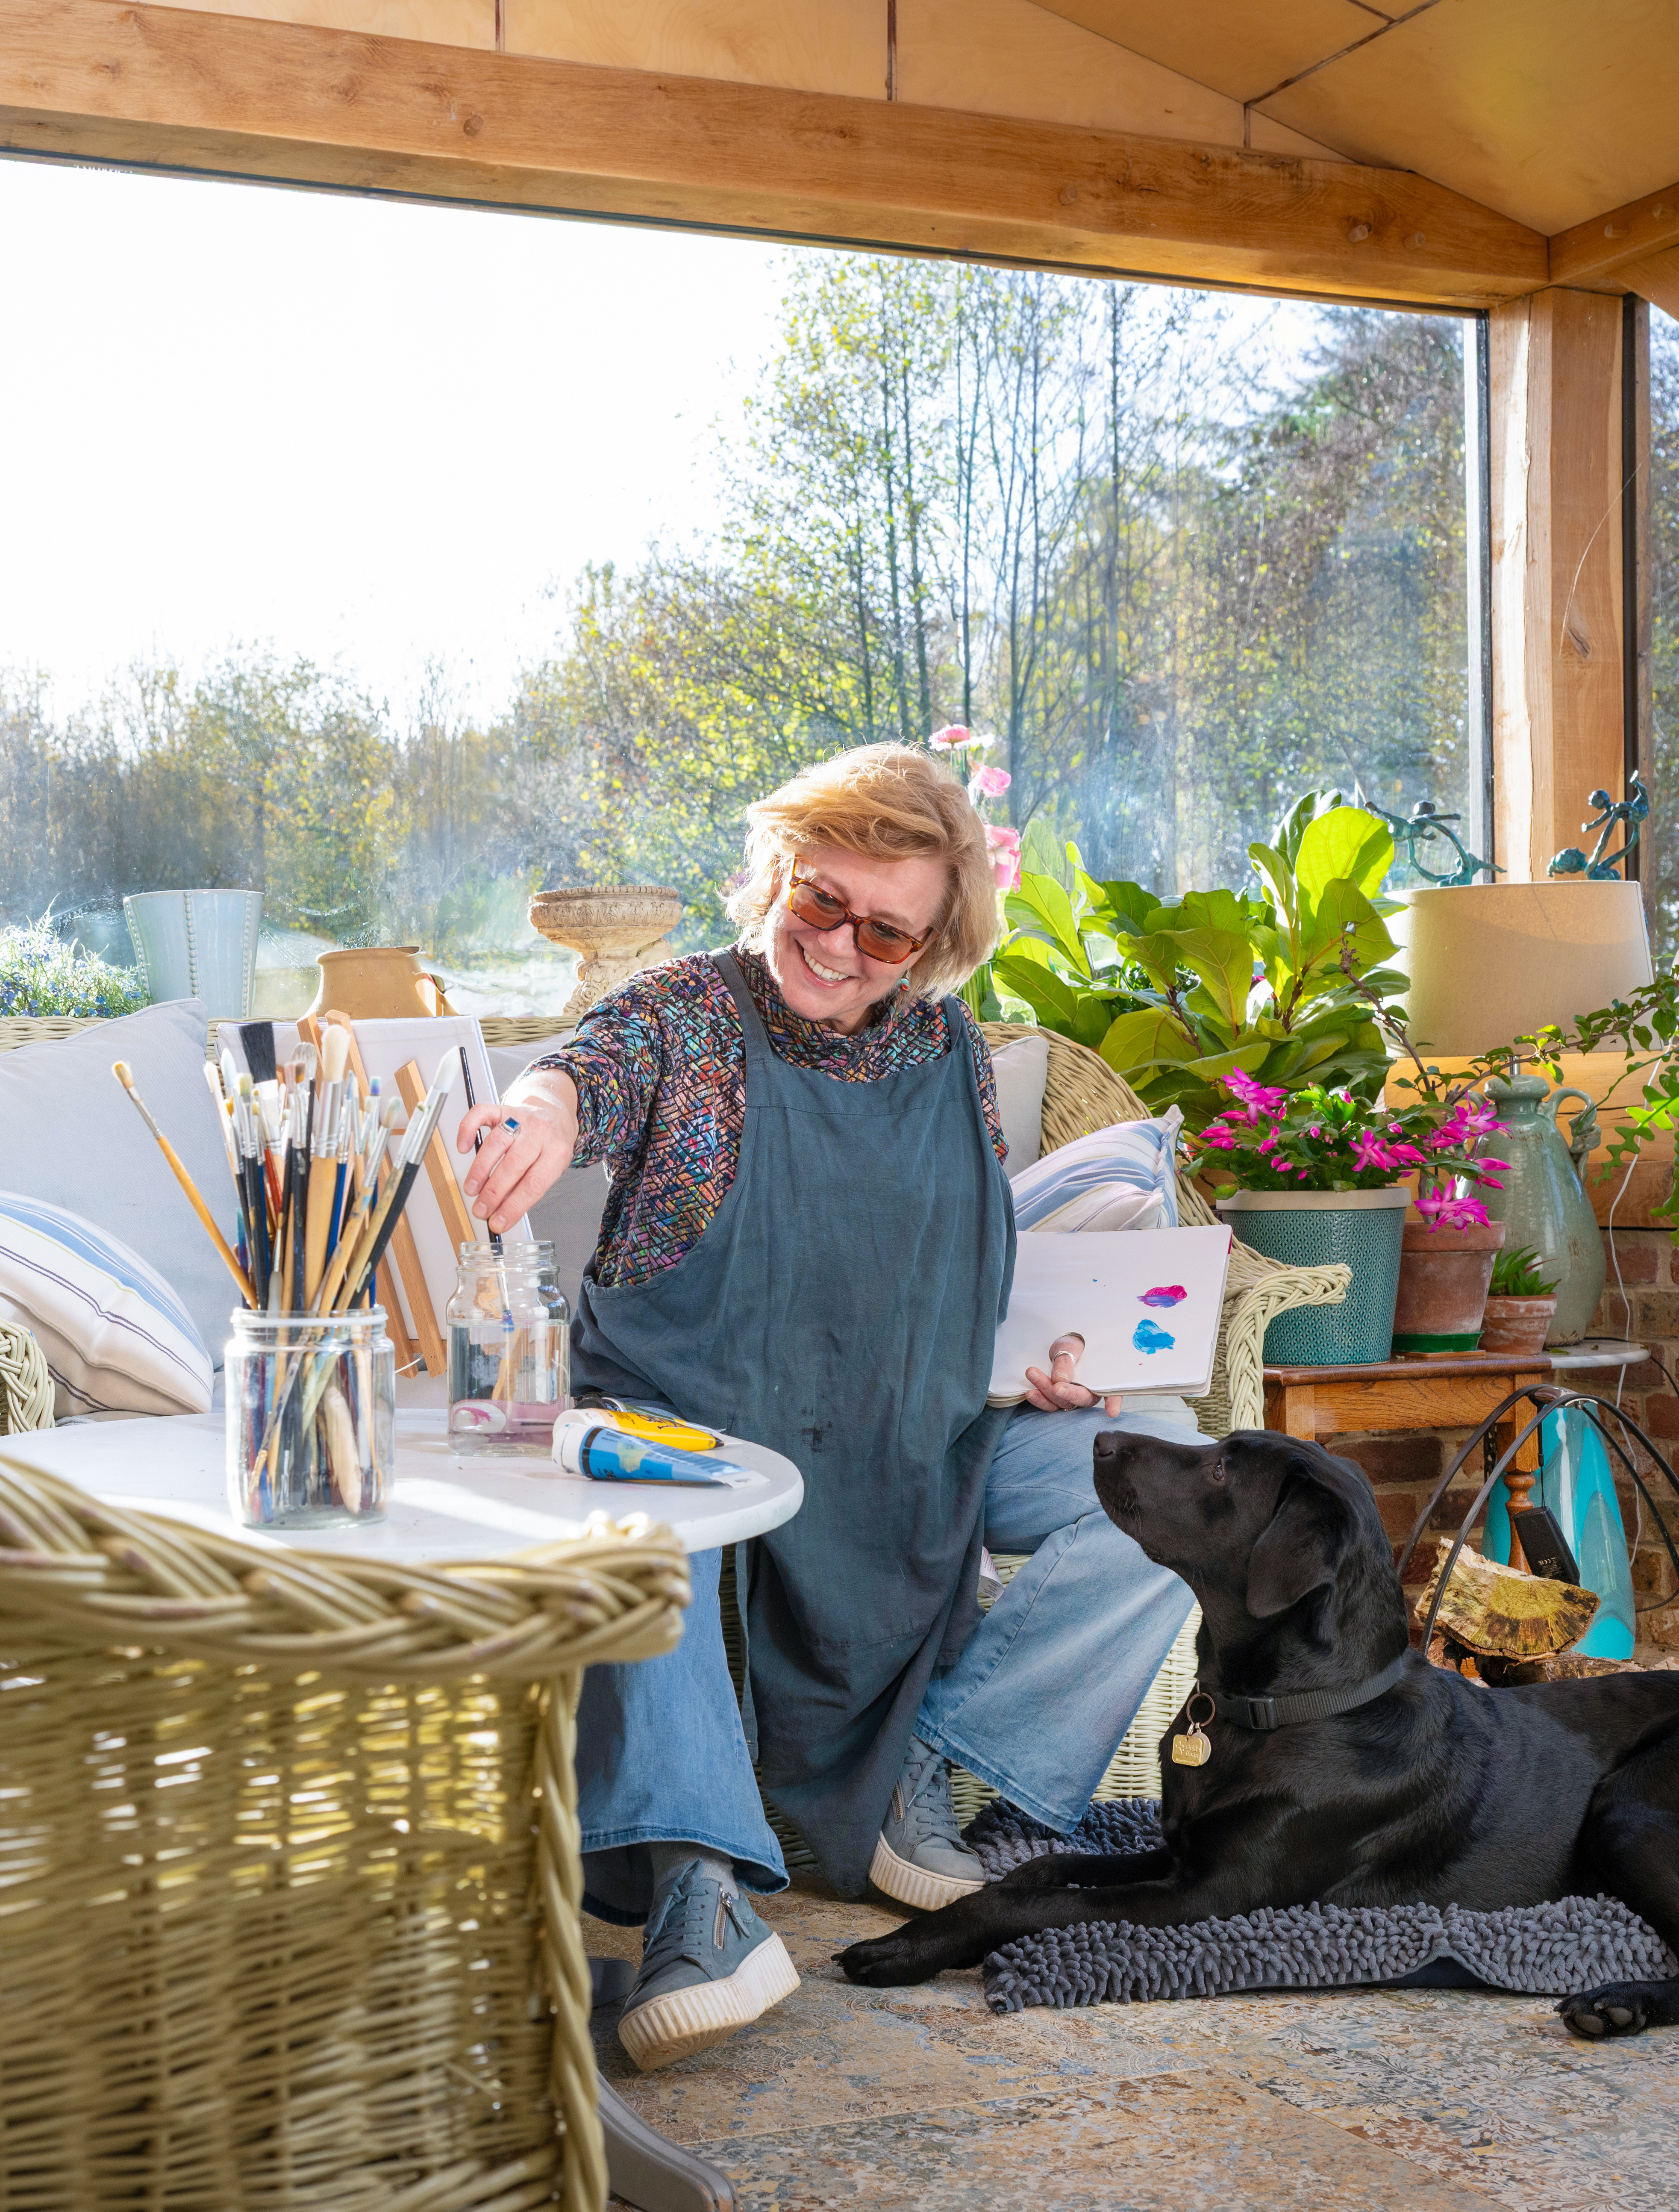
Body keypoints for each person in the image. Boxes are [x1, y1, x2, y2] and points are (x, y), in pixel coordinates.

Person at [459, 744, 1208, 2071]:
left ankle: (927, 1772)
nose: (842, 945)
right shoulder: (687, 1016)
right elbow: (586, 1070)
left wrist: (1037, 1366)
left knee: (1179, 1481)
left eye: (885, 927)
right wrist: (534, 1112)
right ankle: (701, 1888)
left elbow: (952, 1278)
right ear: (774, 876)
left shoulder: (951, 1052)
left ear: (929, 942)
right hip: (697, 1447)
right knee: (647, 1537)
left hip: (914, 1446)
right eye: (821, 901)